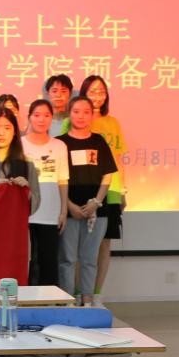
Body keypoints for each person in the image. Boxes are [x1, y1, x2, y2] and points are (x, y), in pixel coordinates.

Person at [57, 96, 117, 306]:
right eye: (76, 111)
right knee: (67, 259)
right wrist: (69, 206)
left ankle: (88, 299)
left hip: (96, 210)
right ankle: (67, 299)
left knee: (89, 257)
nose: (81, 116)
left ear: (92, 115)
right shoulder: (60, 143)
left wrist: (96, 202)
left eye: (85, 112)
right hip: (69, 209)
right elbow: (57, 178)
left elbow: (108, 175)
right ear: (69, 114)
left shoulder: (99, 141)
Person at [80, 74, 128, 305]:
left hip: (112, 188)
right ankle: (81, 294)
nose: (97, 95)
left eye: (101, 91)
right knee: (81, 243)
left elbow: (118, 159)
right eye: (92, 91)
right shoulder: (78, 120)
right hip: (86, 187)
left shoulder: (113, 123)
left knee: (104, 243)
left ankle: (97, 294)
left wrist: (123, 190)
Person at [22, 99, 70, 286]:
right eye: (37, 115)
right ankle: (25, 298)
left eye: (46, 115)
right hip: (25, 212)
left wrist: (63, 210)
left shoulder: (59, 146)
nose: (41, 119)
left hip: (51, 213)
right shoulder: (19, 144)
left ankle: (46, 299)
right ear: (29, 118)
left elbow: (63, 180)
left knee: (48, 260)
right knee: (27, 261)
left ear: (52, 118)